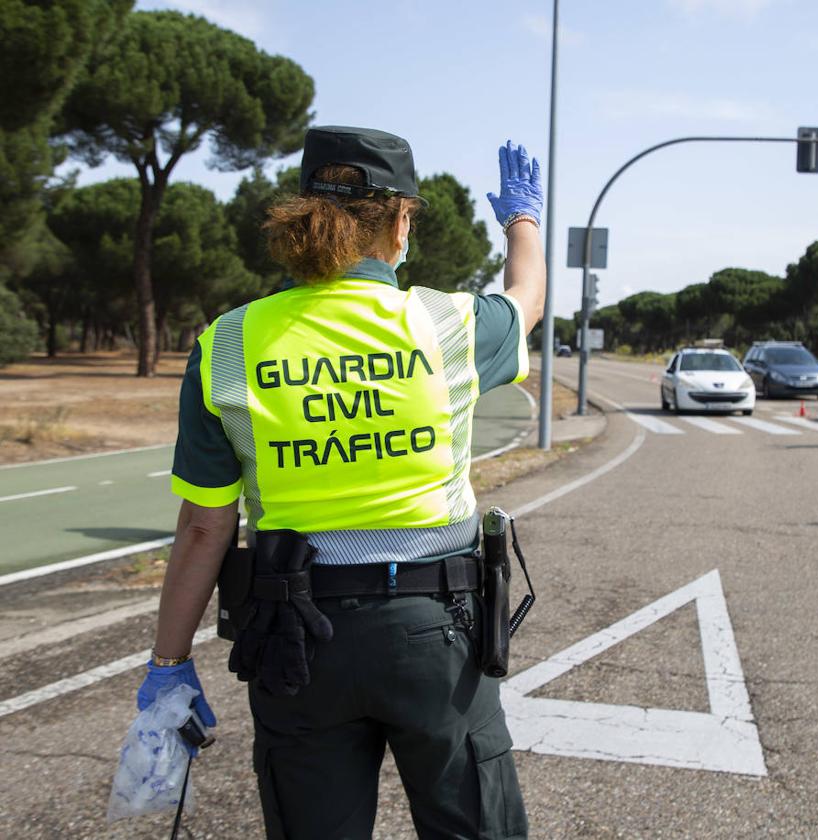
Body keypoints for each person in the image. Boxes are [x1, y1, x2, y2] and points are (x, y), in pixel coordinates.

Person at [135, 127, 545, 839]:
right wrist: (522, 220)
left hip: (295, 642)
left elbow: (205, 526)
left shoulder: (225, 344)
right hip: (436, 633)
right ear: (402, 220)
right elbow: (527, 296)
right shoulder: (447, 323)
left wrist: (168, 664)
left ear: (301, 216)